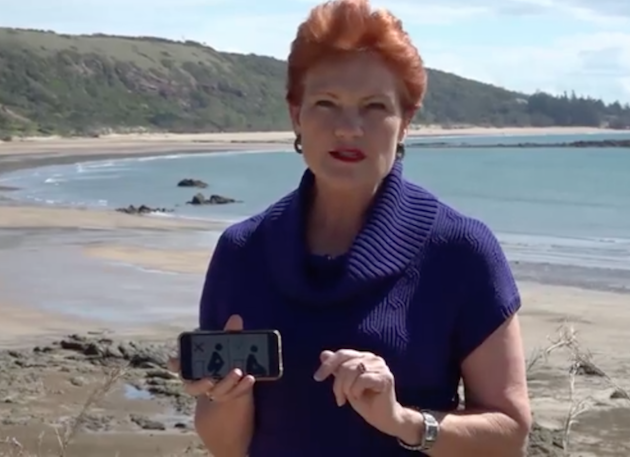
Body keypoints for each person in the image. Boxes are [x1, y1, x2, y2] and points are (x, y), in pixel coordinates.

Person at [169, 0, 531, 455]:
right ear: (296, 114)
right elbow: (228, 447)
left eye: (374, 107)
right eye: (326, 104)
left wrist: (401, 420)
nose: (348, 129)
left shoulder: (461, 250)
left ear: (406, 122)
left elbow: (510, 431)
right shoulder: (243, 251)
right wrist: (228, 398)